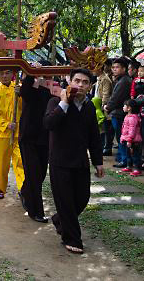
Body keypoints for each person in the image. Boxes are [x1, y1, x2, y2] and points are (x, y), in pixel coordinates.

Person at [44, 68, 105, 255]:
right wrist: (64, 103)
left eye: (85, 82)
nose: (80, 85)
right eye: (77, 80)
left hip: (80, 161)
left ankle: (59, 220)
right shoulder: (55, 102)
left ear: (90, 86)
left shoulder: (88, 107)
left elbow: (94, 136)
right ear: (69, 81)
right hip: (59, 161)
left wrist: (98, 161)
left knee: (82, 199)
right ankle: (72, 238)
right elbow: (48, 124)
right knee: (66, 202)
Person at [18, 73, 53, 222]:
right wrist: (31, 76)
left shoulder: (53, 91)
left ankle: (25, 192)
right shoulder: (31, 89)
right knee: (33, 174)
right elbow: (25, 93)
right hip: (28, 138)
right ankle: (36, 211)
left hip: (45, 138)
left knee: (40, 174)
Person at [0, 69, 25, 199]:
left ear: (12, 74)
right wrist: (6, 124)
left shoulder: (18, 88)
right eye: (1, 73)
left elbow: (24, 107)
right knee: (1, 163)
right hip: (1, 133)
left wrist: (20, 95)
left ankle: (23, 188)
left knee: (20, 161)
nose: (4, 75)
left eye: (7, 72)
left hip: (18, 132)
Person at [105, 57, 132, 168]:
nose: (114, 69)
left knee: (121, 136)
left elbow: (116, 97)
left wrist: (108, 107)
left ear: (124, 69)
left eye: (117, 67)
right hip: (118, 112)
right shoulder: (120, 80)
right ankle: (122, 157)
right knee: (119, 136)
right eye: (113, 67)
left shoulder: (124, 81)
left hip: (120, 112)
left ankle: (124, 159)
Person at [119, 99, 143, 176]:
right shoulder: (127, 116)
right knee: (128, 154)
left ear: (129, 108)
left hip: (134, 140)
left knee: (135, 155)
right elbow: (125, 129)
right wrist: (123, 137)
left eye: (124, 106)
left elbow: (132, 130)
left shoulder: (133, 118)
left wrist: (129, 140)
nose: (123, 107)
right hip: (128, 139)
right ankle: (129, 166)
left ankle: (137, 169)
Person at [96, 59, 114, 155]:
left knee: (105, 128)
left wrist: (102, 107)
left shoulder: (105, 79)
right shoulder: (99, 78)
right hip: (97, 106)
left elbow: (106, 95)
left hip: (103, 108)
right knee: (101, 128)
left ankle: (106, 147)